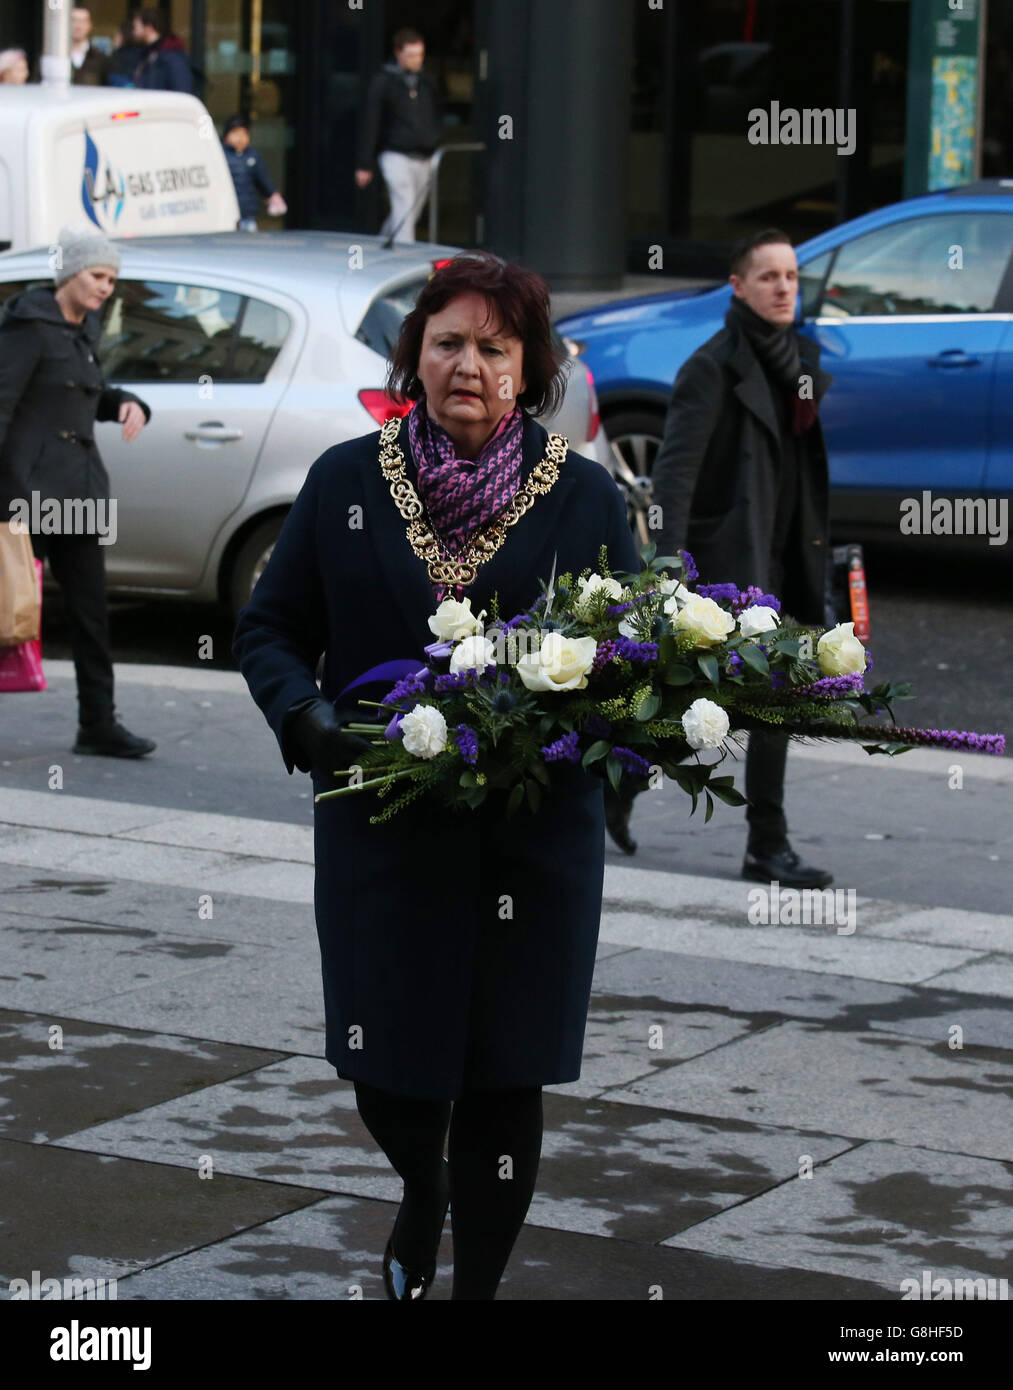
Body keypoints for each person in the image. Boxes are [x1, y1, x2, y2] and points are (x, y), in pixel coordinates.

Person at [233, 252, 640, 1300]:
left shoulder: (586, 498)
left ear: (529, 369)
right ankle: (421, 1185)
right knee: (388, 1072)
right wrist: (306, 716)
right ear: (414, 353)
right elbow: (270, 627)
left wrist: (620, 734)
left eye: (493, 348)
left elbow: (631, 655)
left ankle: (476, 1290)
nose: (467, 363)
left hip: (532, 836)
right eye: (447, 341)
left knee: (504, 1079)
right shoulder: (342, 482)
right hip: (385, 823)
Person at [644, 227, 835, 888]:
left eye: (791, 276)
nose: (784, 287)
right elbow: (672, 476)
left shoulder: (799, 362)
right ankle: (614, 785)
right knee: (694, 706)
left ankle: (765, 847)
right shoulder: (712, 365)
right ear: (738, 286)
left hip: (784, 557)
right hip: (727, 560)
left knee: (773, 702)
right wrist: (667, 577)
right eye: (769, 277)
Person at [0, 224, 156, 759]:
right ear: (69, 273)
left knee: (92, 614)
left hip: (82, 494)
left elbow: (85, 395)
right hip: (27, 494)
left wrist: (125, 403)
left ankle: (98, 723)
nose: (106, 286)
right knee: (9, 605)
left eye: (112, 278)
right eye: (97, 275)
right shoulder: (28, 326)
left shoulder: (83, 328)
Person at [355, 27, 441, 243]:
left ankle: (382, 243)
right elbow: (371, 123)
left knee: (411, 211)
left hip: (423, 154)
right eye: (411, 55)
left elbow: (437, 113)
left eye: (419, 55)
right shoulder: (384, 82)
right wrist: (364, 163)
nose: (416, 60)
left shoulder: (427, 82)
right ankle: (405, 256)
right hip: (395, 154)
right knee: (404, 205)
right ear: (398, 53)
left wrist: (435, 138)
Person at [221, 116, 287, 232]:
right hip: (225, 214)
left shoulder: (253, 156)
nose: (240, 138)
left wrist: (273, 196)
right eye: (236, 133)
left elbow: (263, 180)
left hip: (247, 214)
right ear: (226, 135)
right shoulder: (219, 155)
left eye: (244, 134)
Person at [130, 6, 193, 93]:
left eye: (136, 26)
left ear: (148, 28)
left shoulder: (171, 55)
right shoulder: (147, 53)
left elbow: (182, 91)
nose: (133, 30)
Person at [70, 7, 110, 86]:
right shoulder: (57, 57)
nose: (78, 26)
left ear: (89, 25)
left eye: (82, 21)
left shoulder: (101, 60)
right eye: (74, 20)